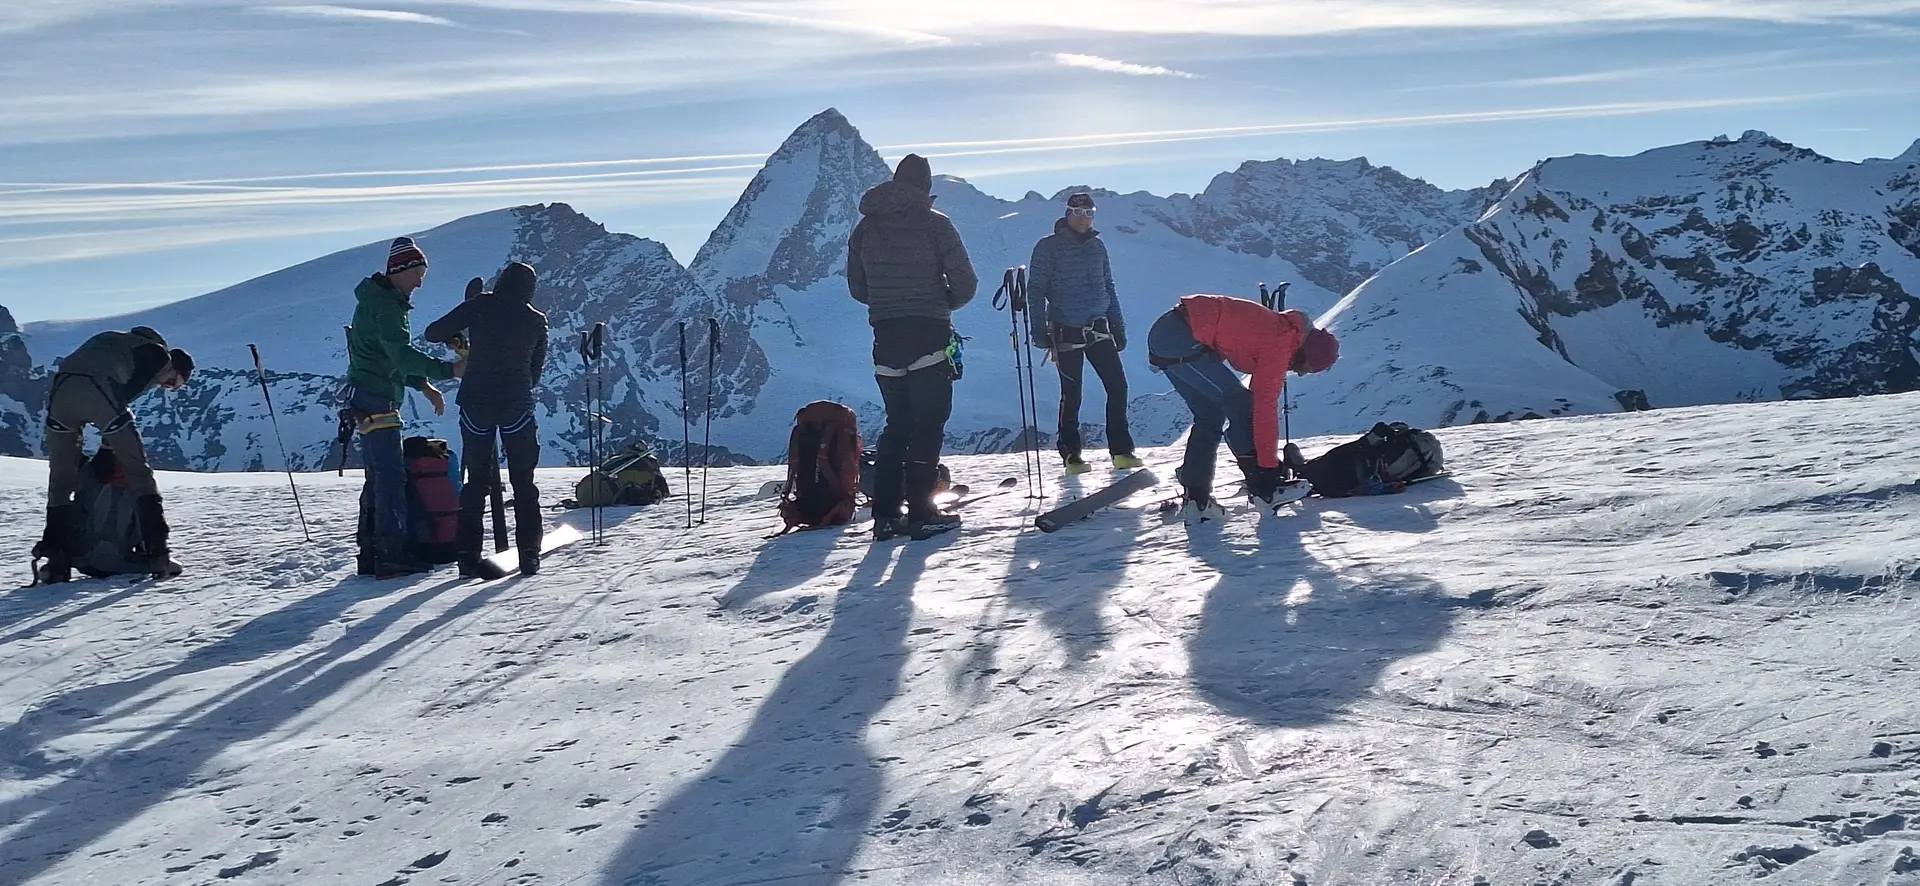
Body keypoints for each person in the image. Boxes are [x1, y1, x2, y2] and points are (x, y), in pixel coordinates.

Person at [846, 153, 978, 541]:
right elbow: (965, 283)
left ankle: (886, 515)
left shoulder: (864, 230)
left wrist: (887, 305)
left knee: (897, 426)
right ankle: (921, 513)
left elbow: (857, 288)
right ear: (925, 187)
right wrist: (938, 303)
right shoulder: (935, 225)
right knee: (927, 427)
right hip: (929, 334)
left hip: (885, 337)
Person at [1145, 294, 1339, 523]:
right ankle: (1265, 491)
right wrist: (1268, 467)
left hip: (1170, 332)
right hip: (1180, 339)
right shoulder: (1280, 342)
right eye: (1305, 368)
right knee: (1241, 405)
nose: (1300, 372)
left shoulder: (1283, 332)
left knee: (1210, 415)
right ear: (1306, 353)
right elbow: (1263, 410)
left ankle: (1197, 500)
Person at [33, 327, 194, 582]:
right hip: (97, 388)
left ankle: (56, 561)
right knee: (139, 473)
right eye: (172, 382)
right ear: (174, 368)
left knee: (61, 481)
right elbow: (123, 397)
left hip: (60, 391)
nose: (165, 385)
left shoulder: (114, 340)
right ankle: (159, 555)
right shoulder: (159, 356)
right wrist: (111, 446)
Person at [346, 236, 463, 576]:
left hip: (365, 391)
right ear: (400, 270)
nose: (419, 282)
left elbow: (383, 357)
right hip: (377, 395)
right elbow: (400, 354)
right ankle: (392, 552)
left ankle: (370, 550)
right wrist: (447, 371)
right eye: (417, 274)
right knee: (390, 476)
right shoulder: (387, 307)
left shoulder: (374, 301)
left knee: (379, 474)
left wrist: (421, 384)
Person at [425, 261, 549, 576]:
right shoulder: (536, 321)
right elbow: (534, 373)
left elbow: (432, 332)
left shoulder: (480, 305)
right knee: (524, 482)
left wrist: (467, 331)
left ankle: (467, 557)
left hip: (475, 403)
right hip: (517, 406)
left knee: (475, 482)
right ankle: (529, 556)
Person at [1027, 191, 1137, 474]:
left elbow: (1108, 287)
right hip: (1065, 330)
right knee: (1072, 393)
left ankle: (1122, 452)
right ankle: (1071, 456)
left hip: (1099, 327)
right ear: (1067, 214)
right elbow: (1036, 290)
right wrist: (1038, 330)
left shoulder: (1097, 247)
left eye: (1089, 213)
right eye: (1078, 212)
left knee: (1117, 387)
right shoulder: (1048, 247)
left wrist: (1118, 327)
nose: (1084, 218)